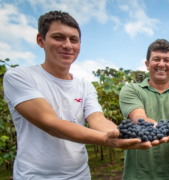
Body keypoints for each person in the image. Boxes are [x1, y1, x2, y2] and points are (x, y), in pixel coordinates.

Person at [3, 11, 151, 180]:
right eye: (58, 37)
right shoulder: (19, 77)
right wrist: (106, 139)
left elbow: (97, 120)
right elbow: (51, 124)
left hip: (80, 175)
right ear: (40, 40)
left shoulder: (84, 85)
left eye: (73, 40)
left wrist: (124, 134)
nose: (67, 45)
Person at [119, 39, 169, 180]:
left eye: (167, 60)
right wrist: (159, 127)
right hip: (138, 176)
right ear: (147, 64)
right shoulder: (131, 90)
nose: (161, 64)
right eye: (156, 59)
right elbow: (138, 117)